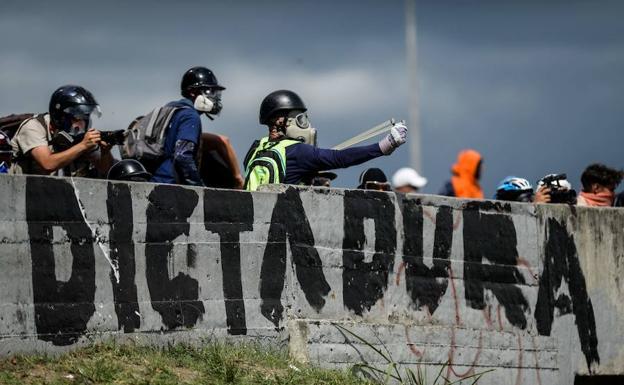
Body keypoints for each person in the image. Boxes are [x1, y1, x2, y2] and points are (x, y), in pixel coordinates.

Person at [243, 90, 407, 191]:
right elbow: (340, 158)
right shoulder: (297, 151)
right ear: (281, 121)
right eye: (301, 119)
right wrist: (384, 146)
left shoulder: (256, 148)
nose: (306, 125)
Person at [9, 85, 113, 177]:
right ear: (60, 117)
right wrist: (82, 146)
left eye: (84, 119)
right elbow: (47, 164)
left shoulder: (80, 137)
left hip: (57, 195)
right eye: (77, 118)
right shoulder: (34, 127)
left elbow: (104, 168)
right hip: (21, 194)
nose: (81, 124)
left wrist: (105, 152)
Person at [150, 66, 226, 186]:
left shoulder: (171, 110)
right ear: (192, 92)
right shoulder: (190, 116)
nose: (214, 96)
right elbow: (182, 156)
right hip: (169, 187)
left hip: (154, 182)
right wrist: (198, 188)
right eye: (209, 91)